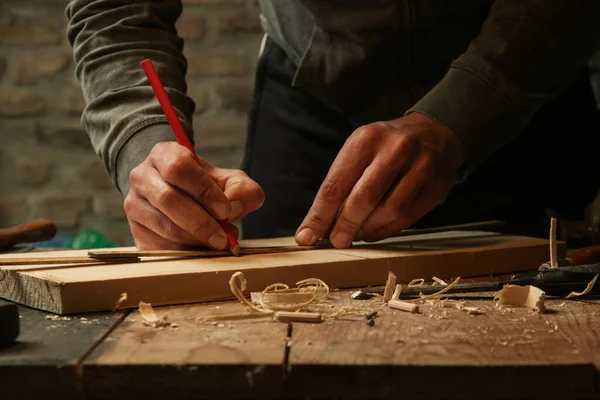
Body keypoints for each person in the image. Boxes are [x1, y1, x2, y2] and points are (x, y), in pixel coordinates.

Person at [66, 1, 600, 250]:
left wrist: (470, 107)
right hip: (310, 88)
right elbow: (115, 9)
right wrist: (147, 143)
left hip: (522, 83)